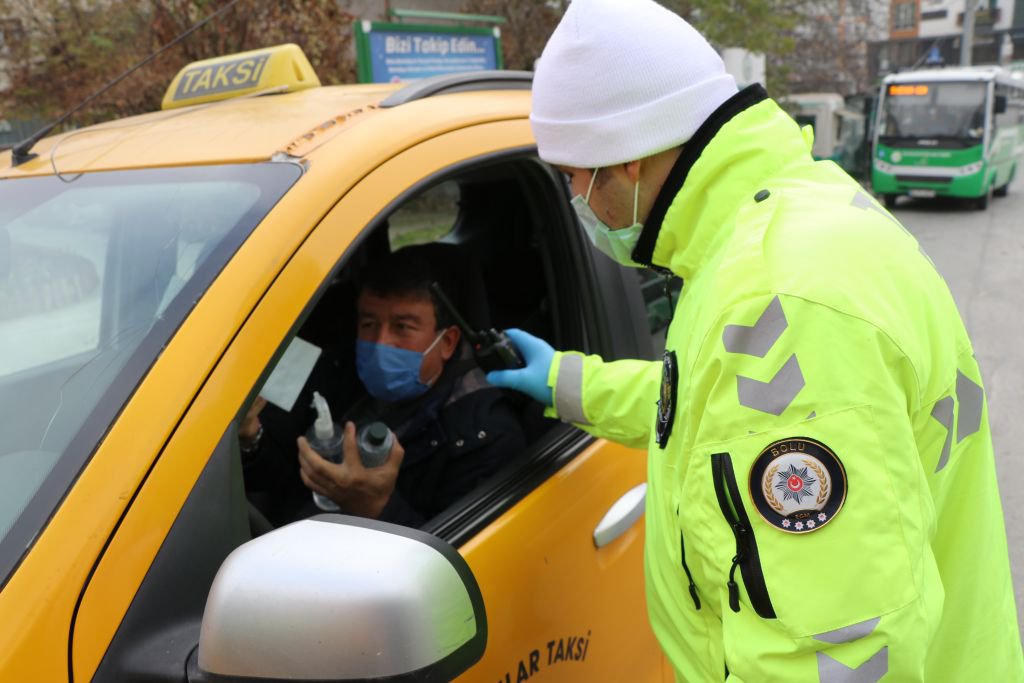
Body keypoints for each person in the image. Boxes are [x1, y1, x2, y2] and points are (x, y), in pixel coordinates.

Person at [488, 0, 1024, 681]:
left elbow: (842, 652)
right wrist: (572, 382)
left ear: (625, 160)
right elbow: (721, 402)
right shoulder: (800, 216)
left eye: (572, 179)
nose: (578, 204)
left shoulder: (781, 296)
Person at [241, 247, 526, 528]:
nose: (380, 343)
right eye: (368, 323)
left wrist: (375, 507)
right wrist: (252, 437)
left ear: (447, 342)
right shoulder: (341, 370)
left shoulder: (485, 435)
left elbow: (454, 561)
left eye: (402, 327)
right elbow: (287, 475)